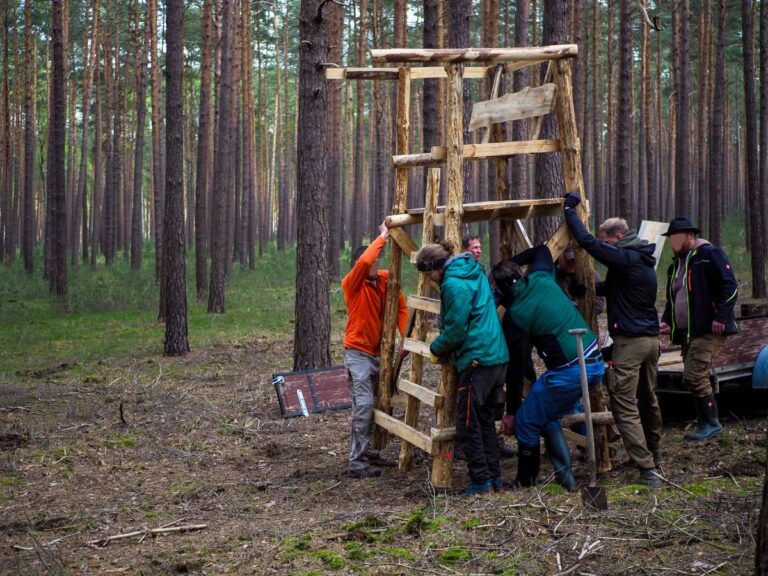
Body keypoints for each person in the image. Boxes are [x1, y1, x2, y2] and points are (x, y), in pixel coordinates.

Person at [563, 193, 662, 487]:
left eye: (608, 242)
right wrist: (589, 289)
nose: (605, 248)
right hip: (651, 342)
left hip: (631, 344)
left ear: (618, 237)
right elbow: (619, 288)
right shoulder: (641, 260)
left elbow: (590, 244)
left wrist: (570, 211)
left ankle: (646, 468)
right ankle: (654, 452)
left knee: (623, 404)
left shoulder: (626, 256)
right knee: (648, 398)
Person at [492, 245, 605, 491]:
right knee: (547, 414)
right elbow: (542, 250)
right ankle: (567, 481)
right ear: (520, 275)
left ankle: (526, 481)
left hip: (571, 371)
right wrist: (510, 263)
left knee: (526, 421)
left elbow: (516, 369)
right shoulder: (541, 275)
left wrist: (512, 412)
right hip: (595, 361)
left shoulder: (515, 316)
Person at [415, 240, 509, 495]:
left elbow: (457, 330)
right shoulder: (474, 272)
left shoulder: (454, 284)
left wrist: (436, 348)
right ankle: (495, 479)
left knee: (468, 423)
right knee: (485, 420)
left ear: (435, 266)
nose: (429, 279)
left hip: (477, 358)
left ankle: (481, 481)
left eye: (428, 273)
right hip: (496, 355)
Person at [659, 217, 739, 441]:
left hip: (710, 328)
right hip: (688, 331)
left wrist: (722, 316)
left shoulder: (709, 255)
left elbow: (730, 285)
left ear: (691, 236)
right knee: (691, 377)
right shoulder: (676, 266)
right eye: (671, 239)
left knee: (694, 375)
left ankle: (712, 423)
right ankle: (705, 421)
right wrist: (667, 319)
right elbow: (672, 298)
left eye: (677, 238)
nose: (673, 243)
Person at [342, 221, 409, 479]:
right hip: (357, 354)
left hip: (380, 353)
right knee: (364, 405)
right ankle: (356, 463)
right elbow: (364, 261)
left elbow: (401, 308)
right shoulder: (352, 283)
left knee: (380, 405)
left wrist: (407, 338)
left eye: (375, 261)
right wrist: (382, 236)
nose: (374, 264)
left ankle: (370, 451)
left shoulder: (384, 281)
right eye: (370, 261)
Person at [460, 233, 515, 459]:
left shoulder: (483, 270)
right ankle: (468, 447)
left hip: (492, 345)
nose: (478, 250)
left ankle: (492, 443)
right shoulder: (461, 275)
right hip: (475, 348)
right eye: (474, 247)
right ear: (464, 250)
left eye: (480, 247)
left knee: (492, 400)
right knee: (470, 403)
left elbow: (492, 297)